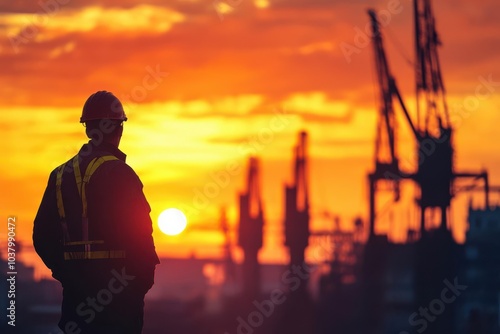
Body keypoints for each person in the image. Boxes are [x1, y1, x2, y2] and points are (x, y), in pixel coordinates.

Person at [33, 91, 160, 334]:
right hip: (119, 307)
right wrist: (138, 284)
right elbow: (141, 236)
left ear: (87, 128)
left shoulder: (59, 176)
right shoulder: (121, 174)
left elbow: (42, 238)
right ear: (119, 128)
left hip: (76, 306)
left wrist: (67, 276)